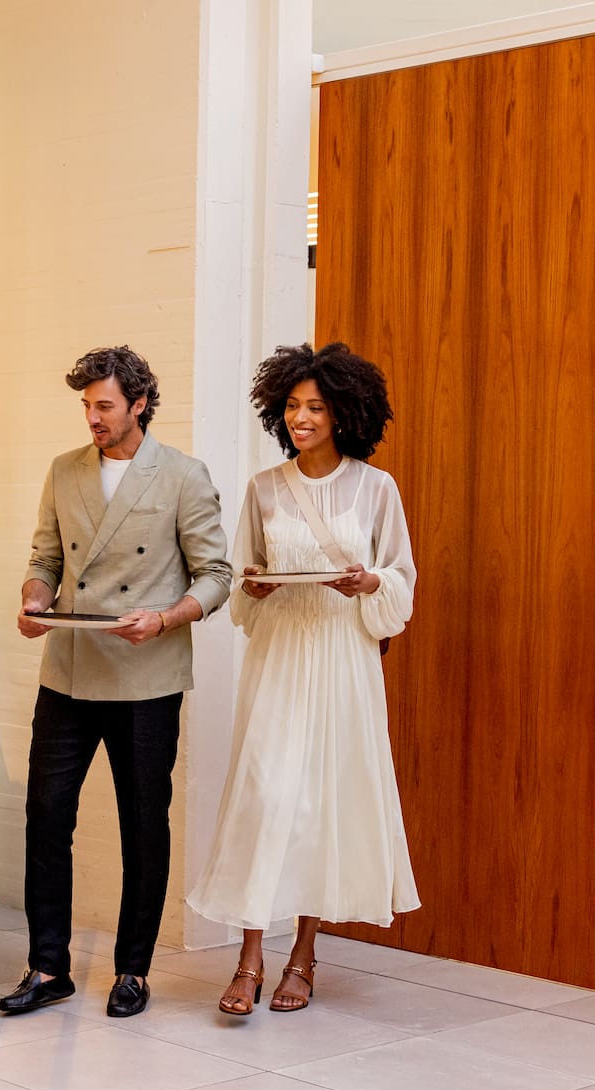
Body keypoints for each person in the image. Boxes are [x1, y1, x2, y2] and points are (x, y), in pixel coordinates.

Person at [0, 345, 233, 1020]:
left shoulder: (183, 475)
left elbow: (217, 577)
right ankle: (48, 965)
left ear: (138, 404)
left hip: (147, 676)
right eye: (86, 406)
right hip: (69, 667)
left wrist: (163, 618)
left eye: (104, 405)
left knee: (142, 826)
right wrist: (36, 601)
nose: (93, 418)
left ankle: (133, 969)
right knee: (46, 815)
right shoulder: (64, 470)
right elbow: (43, 557)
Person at [186, 341, 419, 1015]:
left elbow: (399, 581)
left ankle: (303, 955)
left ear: (344, 412)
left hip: (342, 661)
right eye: (292, 405)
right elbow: (240, 582)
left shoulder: (377, 489)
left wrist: (369, 579)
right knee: (264, 796)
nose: (301, 418)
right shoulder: (263, 489)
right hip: (280, 659)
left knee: (322, 802)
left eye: (315, 406)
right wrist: (253, 590)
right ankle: (248, 956)